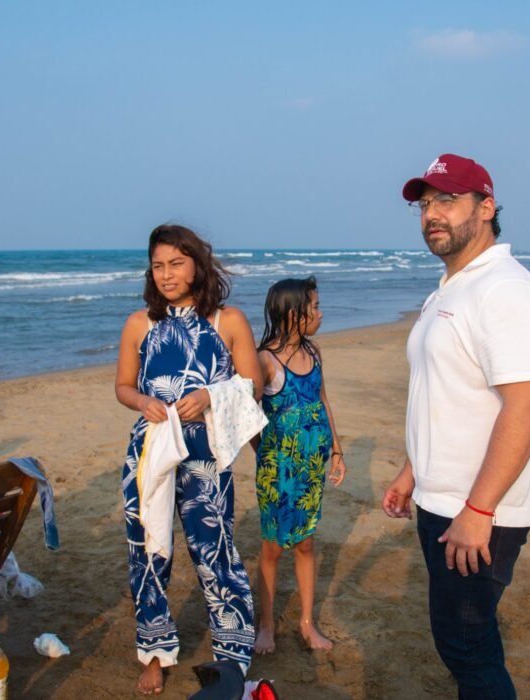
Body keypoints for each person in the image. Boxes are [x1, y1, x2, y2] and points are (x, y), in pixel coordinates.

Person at [382, 154, 530, 700]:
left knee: (467, 648)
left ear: (486, 207)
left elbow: (527, 406)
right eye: (425, 203)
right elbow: (446, 393)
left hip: (479, 506)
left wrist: (479, 511)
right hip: (445, 496)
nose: (432, 214)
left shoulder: (504, 290)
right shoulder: (453, 286)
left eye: (448, 200)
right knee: (465, 643)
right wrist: (413, 471)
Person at [115, 225, 263, 695]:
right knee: (148, 552)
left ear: (198, 264)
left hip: (206, 458)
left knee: (216, 553)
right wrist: (141, 403)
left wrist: (210, 396)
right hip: (151, 452)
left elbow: (253, 386)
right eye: (158, 266)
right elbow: (123, 386)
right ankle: (155, 653)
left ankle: (232, 656)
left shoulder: (228, 320)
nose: (166, 274)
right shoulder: (140, 324)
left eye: (176, 264)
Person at [251, 276, 347, 655]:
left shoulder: (315, 352)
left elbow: (323, 402)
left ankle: (307, 623)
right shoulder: (264, 360)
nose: (320, 314)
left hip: (311, 468)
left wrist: (336, 451)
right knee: (273, 548)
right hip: (278, 470)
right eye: (314, 307)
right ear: (293, 314)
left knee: (306, 543)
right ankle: (267, 626)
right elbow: (246, 416)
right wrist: (267, 453)